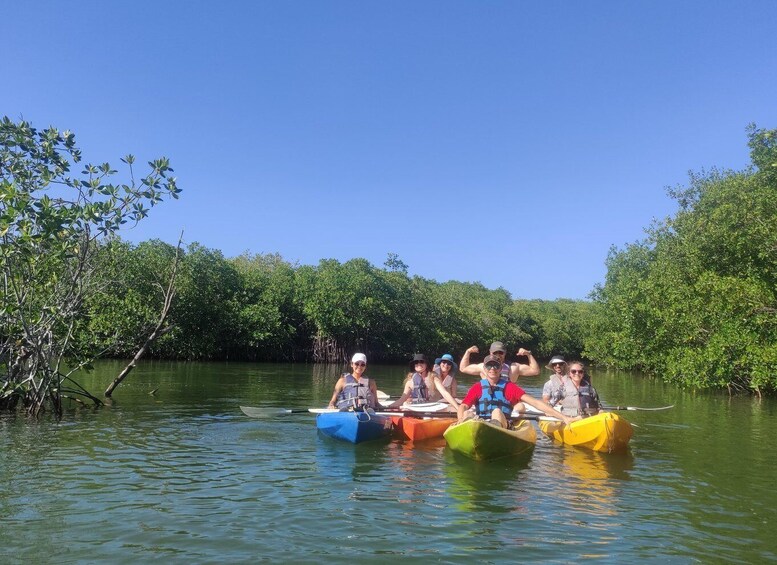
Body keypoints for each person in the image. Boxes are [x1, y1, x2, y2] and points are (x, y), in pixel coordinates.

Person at [457, 355, 578, 428]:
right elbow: (463, 406)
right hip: (480, 423)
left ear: (500, 369)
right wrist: (460, 419)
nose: (492, 369)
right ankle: (467, 427)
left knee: (497, 411)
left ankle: (492, 429)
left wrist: (564, 417)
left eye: (496, 366)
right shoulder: (477, 387)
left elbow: (535, 403)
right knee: (468, 414)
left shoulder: (509, 387)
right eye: (489, 366)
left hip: (501, 426)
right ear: (484, 369)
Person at [388, 353, 458, 408]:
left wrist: (458, 408)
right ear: (414, 365)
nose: (419, 364)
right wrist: (388, 407)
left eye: (422, 362)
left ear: (426, 365)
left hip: (432, 407)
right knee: (405, 403)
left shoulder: (434, 377)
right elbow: (402, 399)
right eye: (416, 362)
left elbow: (444, 393)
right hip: (416, 407)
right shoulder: (409, 381)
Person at [459, 341, 540, 383]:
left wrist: (528, 354)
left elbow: (535, 371)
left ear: (505, 352)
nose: (498, 355)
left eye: (500, 352)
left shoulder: (513, 367)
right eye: (495, 352)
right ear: (490, 352)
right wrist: (468, 352)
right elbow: (463, 368)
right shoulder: (482, 366)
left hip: (507, 399)